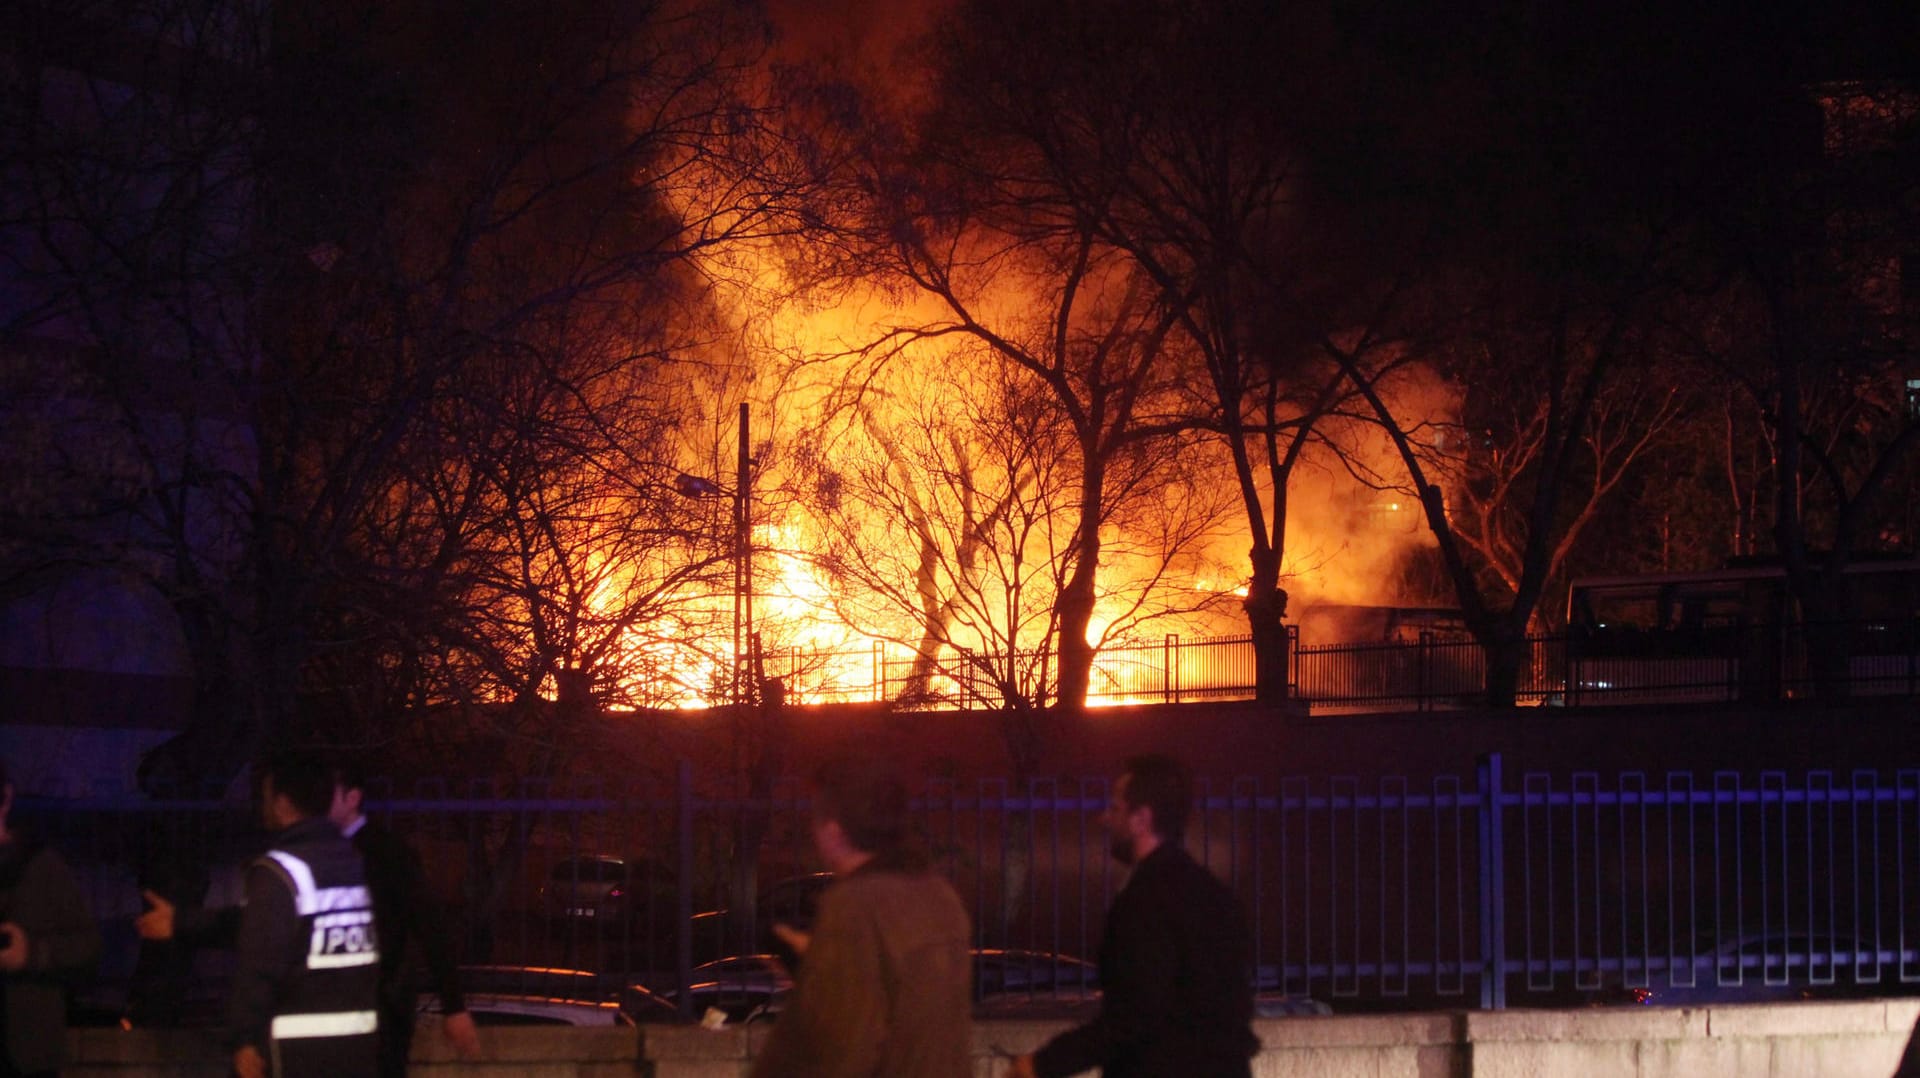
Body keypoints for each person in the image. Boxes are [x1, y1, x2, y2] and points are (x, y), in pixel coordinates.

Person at [1007, 754, 1258, 1078]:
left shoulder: (1145, 901)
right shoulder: (1214, 894)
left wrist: (1042, 1064)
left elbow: (1134, 1015)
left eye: (1115, 808)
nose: (1104, 819)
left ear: (1141, 819)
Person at [748, 756, 971, 1078]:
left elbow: (838, 1046)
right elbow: (904, 1000)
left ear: (834, 834)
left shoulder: (856, 906)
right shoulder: (939, 896)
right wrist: (816, 962)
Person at [225, 752, 380, 1078]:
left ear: (282, 804)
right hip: (359, 1049)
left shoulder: (280, 871)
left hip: (295, 1053)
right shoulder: (352, 863)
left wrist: (244, 1040)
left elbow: (259, 964)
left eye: (267, 796)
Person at [329, 764, 480, 1075]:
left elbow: (428, 924)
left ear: (353, 798)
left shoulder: (385, 851)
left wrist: (453, 1004)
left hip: (380, 1003)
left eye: (328, 794)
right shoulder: (330, 851)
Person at [0, 757, 102, 1078]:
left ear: (5, 797)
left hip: (26, 1054)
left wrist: (30, 954)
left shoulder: (41, 866)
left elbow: (89, 948)